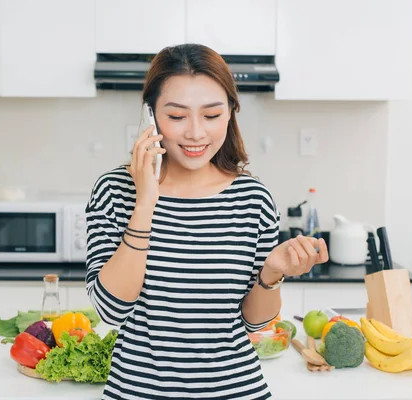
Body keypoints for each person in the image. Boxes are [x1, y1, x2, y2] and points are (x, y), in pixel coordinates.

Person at [85, 43, 329, 400]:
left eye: (212, 115)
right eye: (177, 116)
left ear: (231, 114)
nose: (196, 133)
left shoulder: (252, 198)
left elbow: (256, 322)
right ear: (150, 116)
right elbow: (110, 309)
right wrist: (146, 200)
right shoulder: (115, 191)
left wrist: (272, 272)